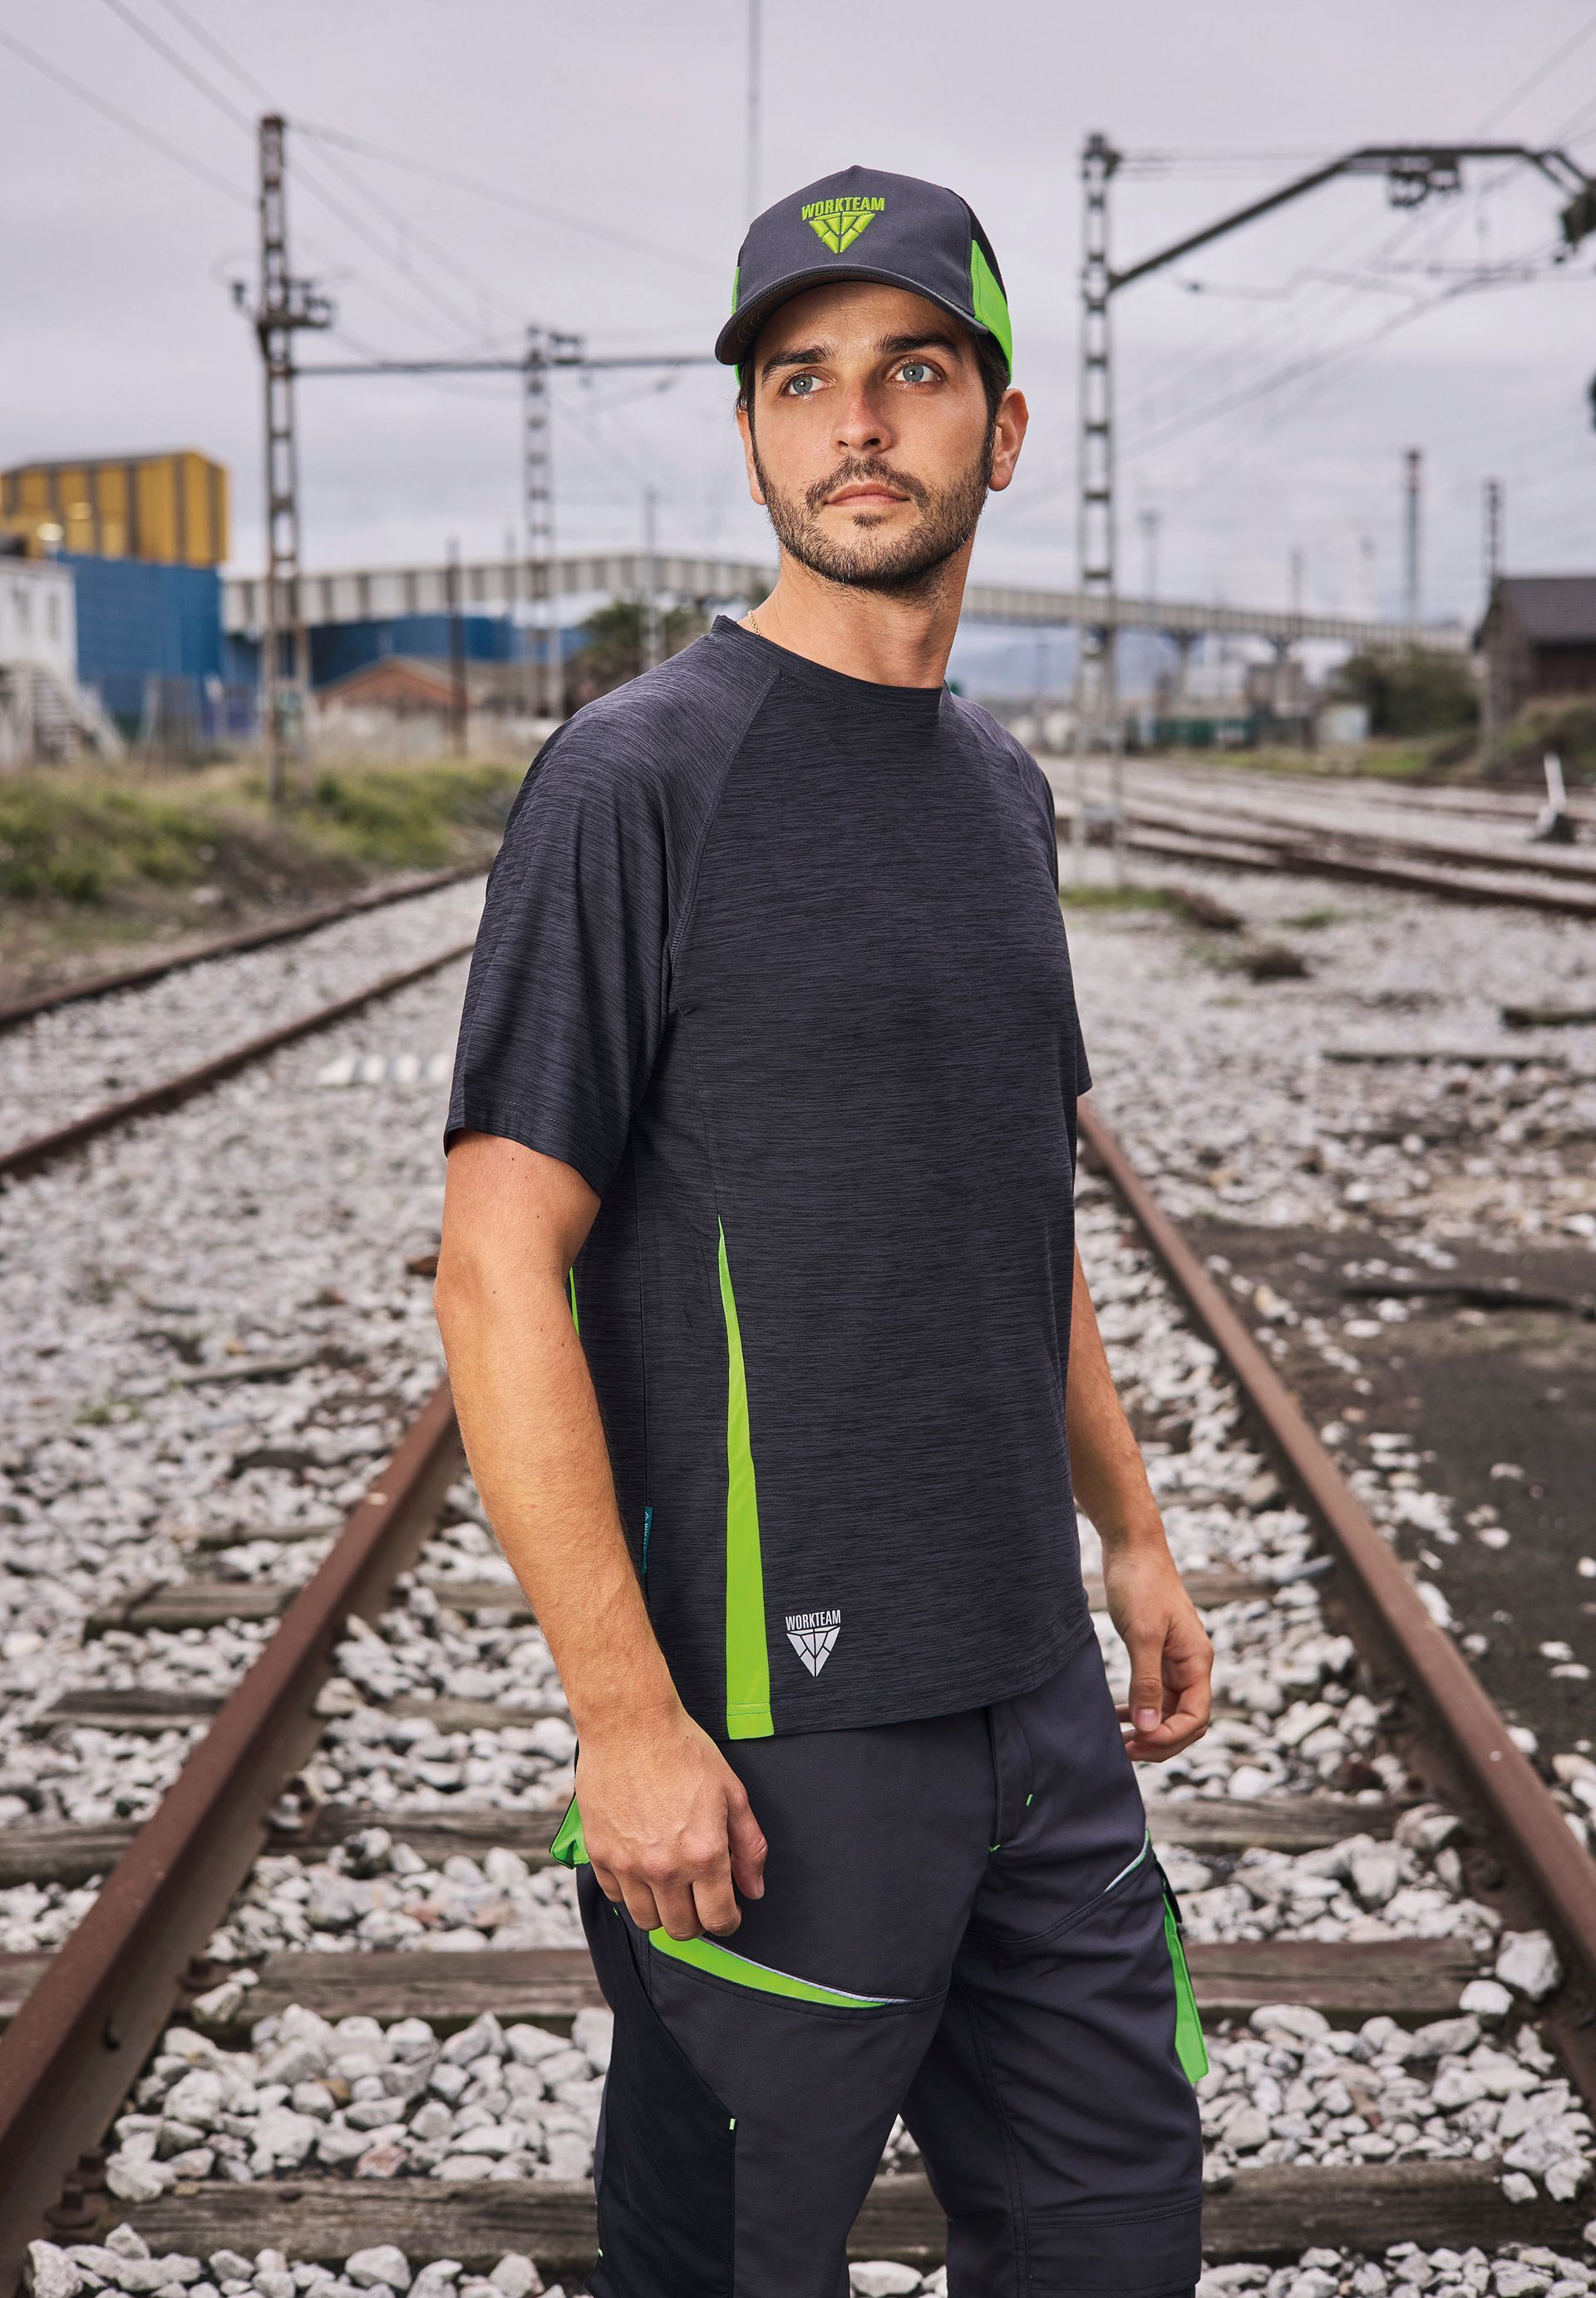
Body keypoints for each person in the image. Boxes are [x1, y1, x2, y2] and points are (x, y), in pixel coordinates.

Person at [436, 164, 1213, 2298]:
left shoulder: (999, 790)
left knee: (1114, 2236)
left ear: (1002, 426)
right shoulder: (638, 778)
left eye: (913, 371)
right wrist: (623, 1716)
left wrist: (1128, 1528)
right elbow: (497, 1263)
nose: (855, 420)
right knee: (728, 2267)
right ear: (759, 432)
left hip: (1034, 1700)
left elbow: (1010, 1192)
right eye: (802, 380)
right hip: (776, 1736)